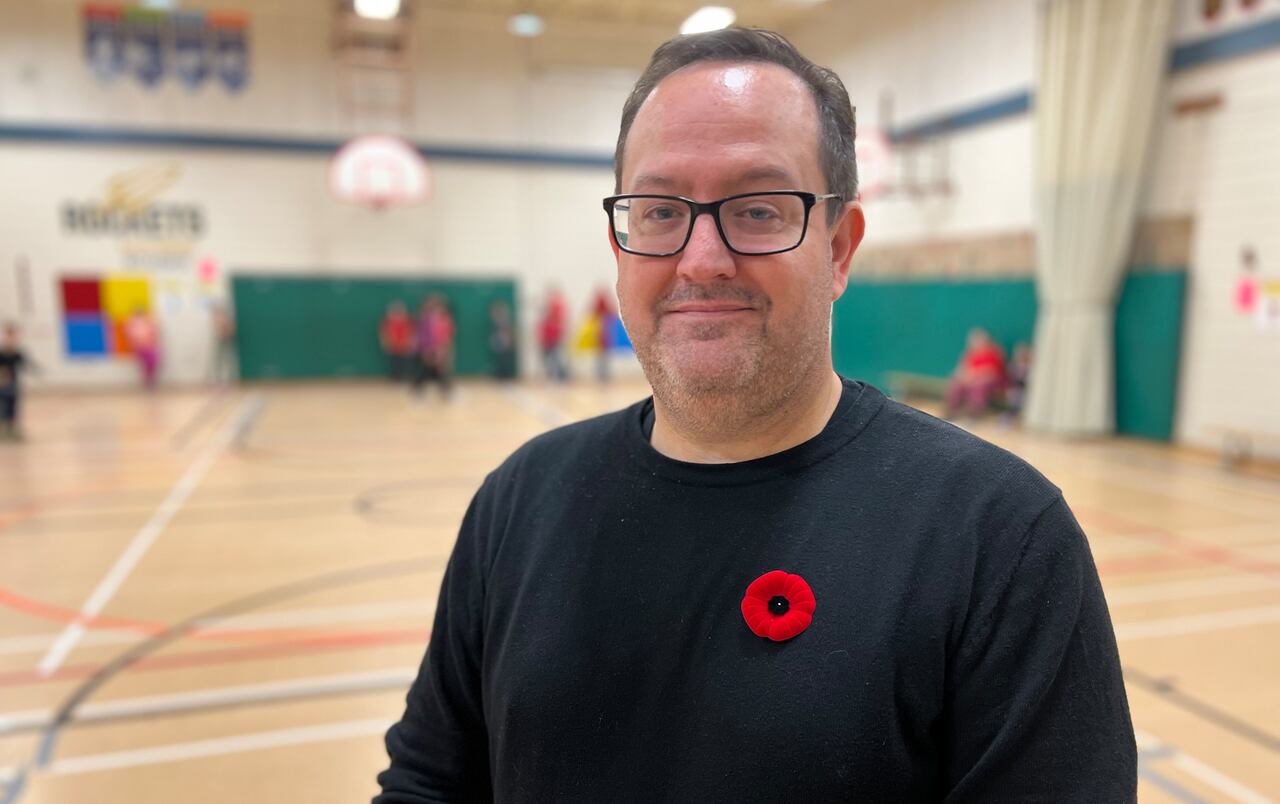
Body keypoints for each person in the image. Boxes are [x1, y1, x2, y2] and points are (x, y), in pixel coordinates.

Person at [377, 28, 1134, 802]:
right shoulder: (519, 500)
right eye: (662, 212)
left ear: (839, 248)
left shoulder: (1001, 539)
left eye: (760, 209)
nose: (701, 259)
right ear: (621, 241)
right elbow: (430, 780)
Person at [943, 327, 1007, 419]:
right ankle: (951, 411)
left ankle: (974, 414)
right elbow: (962, 368)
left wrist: (975, 377)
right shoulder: (970, 353)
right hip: (970, 379)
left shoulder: (994, 353)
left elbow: (992, 372)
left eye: (980, 340)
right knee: (957, 383)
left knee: (979, 386)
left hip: (986, 381)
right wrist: (964, 377)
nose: (977, 343)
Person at [413, 295, 455, 399]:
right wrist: (428, 349)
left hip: (437, 348)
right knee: (427, 370)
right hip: (429, 348)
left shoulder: (442, 319)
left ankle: (445, 391)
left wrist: (442, 348)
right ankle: (419, 390)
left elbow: (446, 335)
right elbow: (425, 335)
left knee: (438, 371)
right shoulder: (425, 319)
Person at [0, 323, 36, 441]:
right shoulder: (2, 353)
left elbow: (26, 363)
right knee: (3, 407)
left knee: (13, 406)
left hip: (13, 384)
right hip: (2, 384)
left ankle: (13, 430)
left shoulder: (16, 352)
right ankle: (4, 430)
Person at [123, 307, 160, 390]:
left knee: (153, 362)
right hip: (139, 346)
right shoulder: (132, 322)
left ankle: (150, 379)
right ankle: (147, 381)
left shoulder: (147, 321)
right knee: (144, 364)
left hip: (149, 345)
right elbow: (129, 334)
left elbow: (153, 331)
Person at [537, 287, 569, 383]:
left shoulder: (556, 306)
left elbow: (558, 321)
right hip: (547, 336)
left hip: (554, 336)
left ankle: (559, 377)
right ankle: (553, 376)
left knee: (555, 357)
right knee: (549, 358)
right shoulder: (548, 306)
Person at [379, 301, 415, 382]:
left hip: (405, 344)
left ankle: (404, 377)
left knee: (405, 362)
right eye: (395, 310)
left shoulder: (408, 320)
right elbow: (384, 333)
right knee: (395, 361)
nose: (397, 312)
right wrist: (385, 343)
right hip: (393, 344)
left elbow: (412, 332)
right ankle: (395, 377)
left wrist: (411, 342)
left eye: (399, 310)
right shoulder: (388, 321)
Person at [208, 301, 237, 386]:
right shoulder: (216, 319)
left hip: (226, 340)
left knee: (227, 360)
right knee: (218, 361)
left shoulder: (226, 319)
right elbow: (218, 330)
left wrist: (226, 332)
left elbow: (232, 330)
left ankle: (230, 378)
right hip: (220, 340)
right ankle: (217, 379)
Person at [488, 299, 517, 381]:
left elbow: (509, 332)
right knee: (500, 360)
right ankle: (500, 375)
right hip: (500, 343)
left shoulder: (506, 321)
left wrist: (509, 341)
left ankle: (506, 375)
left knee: (505, 360)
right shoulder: (496, 321)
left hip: (505, 342)